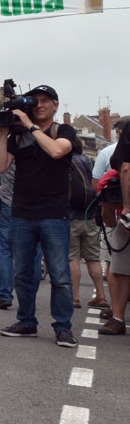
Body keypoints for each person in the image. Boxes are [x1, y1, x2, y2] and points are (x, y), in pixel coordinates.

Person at [0, 84, 78, 348]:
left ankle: (63, 327)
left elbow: (56, 151)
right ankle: (26, 322)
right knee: (23, 274)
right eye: (36, 101)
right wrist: (6, 131)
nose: (40, 105)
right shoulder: (17, 136)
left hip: (53, 214)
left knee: (60, 274)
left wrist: (30, 125)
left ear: (55, 105)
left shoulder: (63, 131)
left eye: (45, 101)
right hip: (21, 213)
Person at [68, 138, 107, 309]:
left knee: (72, 258)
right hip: (90, 216)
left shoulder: (66, 162)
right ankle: (101, 296)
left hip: (71, 216)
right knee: (93, 258)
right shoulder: (90, 162)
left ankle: (75, 297)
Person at [99, 123, 130, 335]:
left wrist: (127, 207)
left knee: (120, 269)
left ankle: (118, 318)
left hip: (126, 216)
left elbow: (126, 168)